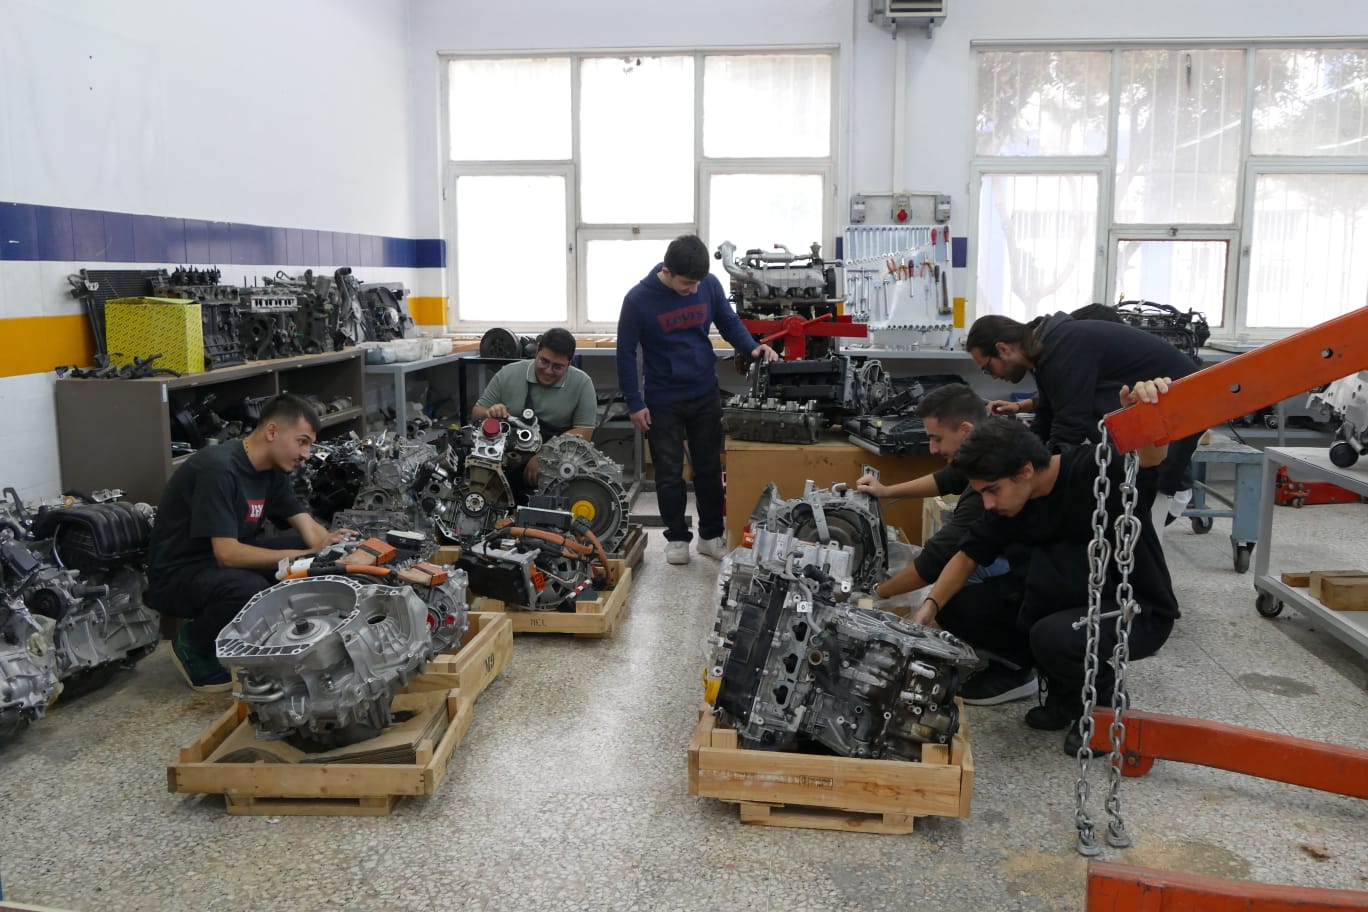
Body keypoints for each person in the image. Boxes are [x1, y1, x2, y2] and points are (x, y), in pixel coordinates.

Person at [913, 379, 1181, 756]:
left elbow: (1150, 458)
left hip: (1135, 609)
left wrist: (1147, 413)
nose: (987, 503)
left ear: (1024, 471)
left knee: (1052, 635)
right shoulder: (1012, 499)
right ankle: (1059, 690)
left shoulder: (1093, 469)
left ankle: (1103, 709)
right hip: (1064, 600)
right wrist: (929, 608)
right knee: (959, 605)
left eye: (991, 490)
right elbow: (968, 554)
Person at [146, 394, 352, 692]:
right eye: (302, 442)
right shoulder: (218, 470)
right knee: (249, 588)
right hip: (178, 574)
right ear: (272, 431)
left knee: (307, 558)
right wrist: (302, 556)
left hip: (216, 565)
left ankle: (272, 638)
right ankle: (195, 645)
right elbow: (227, 554)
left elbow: (305, 525)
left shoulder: (271, 470)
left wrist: (335, 550)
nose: (307, 454)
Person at [855, 383, 1036, 706]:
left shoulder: (990, 485)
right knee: (944, 584)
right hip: (1023, 559)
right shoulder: (992, 442)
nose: (932, 448)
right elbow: (948, 479)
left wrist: (873, 594)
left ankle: (1015, 667)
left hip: (1037, 578)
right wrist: (886, 491)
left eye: (936, 438)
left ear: (965, 430)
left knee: (950, 602)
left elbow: (936, 560)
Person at [616, 234, 778, 565]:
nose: (693, 290)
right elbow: (625, 353)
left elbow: (728, 322)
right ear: (667, 271)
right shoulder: (637, 300)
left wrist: (752, 347)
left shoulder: (708, 285)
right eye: (687, 284)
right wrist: (635, 402)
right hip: (663, 399)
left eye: (697, 283)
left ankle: (710, 536)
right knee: (668, 473)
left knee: (708, 468)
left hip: (704, 392)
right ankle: (676, 538)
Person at [967, 311, 1201, 528]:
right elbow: (1047, 417)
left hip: (1181, 403)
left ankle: (1166, 509)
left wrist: (1040, 486)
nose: (993, 377)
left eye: (988, 369)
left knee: (1146, 510)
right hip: (1163, 410)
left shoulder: (1062, 346)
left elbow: (1070, 428)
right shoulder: (1046, 350)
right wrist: (1015, 460)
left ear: (1003, 349)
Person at [472, 327, 597, 488]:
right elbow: (476, 413)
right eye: (544, 361)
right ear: (536, 352)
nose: (548, 371)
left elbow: (585, 432)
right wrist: (489, 413)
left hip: (558, 465)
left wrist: (546, 455)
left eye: (558, 367)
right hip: (505, 462)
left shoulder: (582, 383)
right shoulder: (508, 374)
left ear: (569, 363)